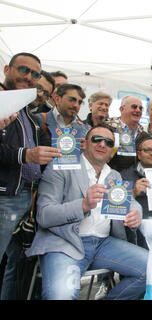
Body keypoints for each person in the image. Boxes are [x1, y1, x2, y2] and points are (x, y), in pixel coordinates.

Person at [26, 123, 148, 300]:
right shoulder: (60, 168)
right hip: (65, 243)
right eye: (97, 139)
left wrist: (136, 214)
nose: (102, 144)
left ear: (112, 150)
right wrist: (83, 205)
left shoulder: (113, 175)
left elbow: (131, 203)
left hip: (103, 244)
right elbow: (44, 215)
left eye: (108, 142)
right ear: (84, 143)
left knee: (151, 268)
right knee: (61, 295)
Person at [0, 52, 61, 300]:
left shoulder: (27, 111)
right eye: (23, 70)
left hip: (27, 197)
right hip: (5, 197)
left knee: (15, 264)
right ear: (7, 69)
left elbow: (40, 147)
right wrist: (26, 155)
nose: (29, 77)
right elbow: (25, 152)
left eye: (34, 74)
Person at [105, 95, 145, 172]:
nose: (138, 110)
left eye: (140, 108)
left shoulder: (144, 135)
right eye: (134, 107)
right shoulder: (107, 128)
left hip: (136, 177)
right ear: (121, 109)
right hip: (111, 176)